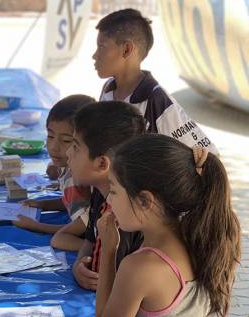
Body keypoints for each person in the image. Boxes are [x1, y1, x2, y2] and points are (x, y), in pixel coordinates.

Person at [95, 134, 240, 317]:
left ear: (145, 201)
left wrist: (108, 251)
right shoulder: (205, 240)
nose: (109, 200)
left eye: (114, 191)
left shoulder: (139, 268)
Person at [93, 8, 218, 154]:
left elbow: (209, 155)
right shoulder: (108, 88)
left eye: (101, 47)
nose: (95, 55)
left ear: (126, 49)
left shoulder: (157, 102)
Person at [68, 101, 145, 291]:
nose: (68, 153)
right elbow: (90, 239)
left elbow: (113, 287)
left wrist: (95, 280)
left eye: (76, 147)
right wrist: (79, 265)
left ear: (102, 164)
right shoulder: (101, 192)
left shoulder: (126, 220)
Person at [12, 95, 95, 251]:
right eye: (50, 136)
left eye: (66, 141)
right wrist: (43, 204)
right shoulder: (66, 168)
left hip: (92, 238)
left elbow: (84, 226)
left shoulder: (82, 178)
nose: (54, 147)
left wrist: (36, 226)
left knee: (58, 241)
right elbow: (74, 202)